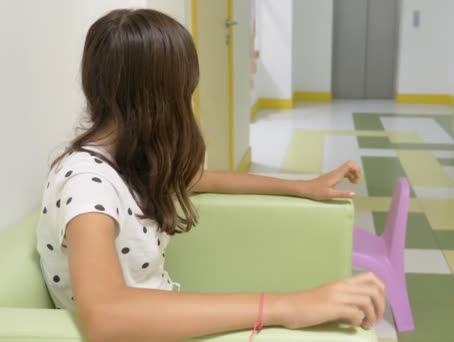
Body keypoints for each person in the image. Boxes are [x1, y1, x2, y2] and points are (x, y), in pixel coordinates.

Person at [36, 8, 385, 342]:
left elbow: (205, 179)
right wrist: (285, 306)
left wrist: (303, 187)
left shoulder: (129, 161)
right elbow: (105, 316)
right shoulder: (85, 184)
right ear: (159, 100)